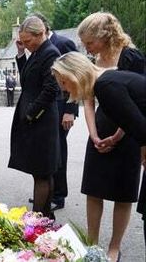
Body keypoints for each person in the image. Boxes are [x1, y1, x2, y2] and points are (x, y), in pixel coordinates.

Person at [52, 51, 146, 262]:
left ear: (74, 75)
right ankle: (92, 245)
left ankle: (114, 248)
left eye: (64, 83)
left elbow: (140, 128)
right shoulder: (104, 82)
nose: (65, 90)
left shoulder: (105, 85)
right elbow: (131, 118)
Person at [77, 12, 146, 261]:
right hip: (100, 128)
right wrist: (94, 134)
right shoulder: (94, 57)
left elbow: (137, 106)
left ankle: (114, 247)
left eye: (89, 42)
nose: (87, 48)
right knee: (93, 189)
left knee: (123, 192)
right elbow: (87, 100)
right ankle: (91, 243)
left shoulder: (131, 57)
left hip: (129, 131)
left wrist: (117, 137)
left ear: (105, 36)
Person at [8, 16, 61, 219]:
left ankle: (39, 217)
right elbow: (28, 78)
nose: (27, 45)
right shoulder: (38, 52)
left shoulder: (50, 53)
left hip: (41, 120)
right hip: (34, 118)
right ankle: (46, 216)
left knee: (42, 171)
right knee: (40, 171)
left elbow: (51, 89)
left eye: (28, 41)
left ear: (40, 34)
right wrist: (21, 53)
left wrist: (31, 114)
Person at [32, 12, 79, 211]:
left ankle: (58, 195)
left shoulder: (64, 43)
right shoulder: (37, 49)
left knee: (58, 151)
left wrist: (70, 109)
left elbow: (76, 76)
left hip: (62, 107)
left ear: (43, 28)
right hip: (47, 107)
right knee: (47, 152)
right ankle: (46, 192)